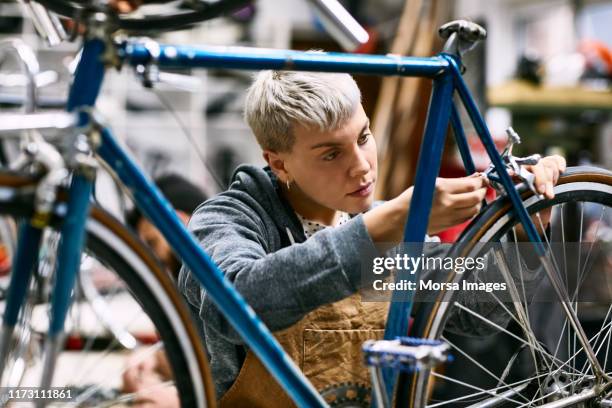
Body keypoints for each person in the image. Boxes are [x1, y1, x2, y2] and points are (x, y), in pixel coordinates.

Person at [178, 70, 566, 407]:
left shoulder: (382, 226)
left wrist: (524, 231)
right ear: (278, 162)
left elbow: (481, 312)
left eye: (363, 138)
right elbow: (235, 304)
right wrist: (388, 223)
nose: (361, 167)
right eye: (331, 154)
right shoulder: (228, 220)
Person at [123, 173, 207, 407]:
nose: (154, 259)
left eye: (152, 243)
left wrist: (180, 402)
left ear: (180, 223)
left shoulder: (233, 275)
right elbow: (201, 356)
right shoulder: (187, 285)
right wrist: (153, 359)